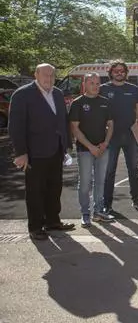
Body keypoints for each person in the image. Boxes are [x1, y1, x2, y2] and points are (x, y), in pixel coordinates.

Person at [8, 63, 75, 240]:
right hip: (33, 153)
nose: (49, 79)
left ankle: (53, 221)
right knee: (35, 191)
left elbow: (63, 120)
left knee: (54, 188)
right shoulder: (22, 94)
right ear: (36, 74)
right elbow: (15, 126)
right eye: (45, 75)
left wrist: (67, 144)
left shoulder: (58, 94)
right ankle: (36, 227)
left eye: (52, 75)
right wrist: (20, 152)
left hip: (56, 150)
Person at [101, 60, 138, 213]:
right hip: (110, 136)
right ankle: (106, 203)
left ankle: (137, 199)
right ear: (111, 73)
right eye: (116, 71)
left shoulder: (134, 89)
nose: (119, 73)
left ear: (126, 73)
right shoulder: (102, 89)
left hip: (131, 133)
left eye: (122, 70)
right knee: (109, 170)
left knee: (133, 169)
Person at [69, 73, 114, 227]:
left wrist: (105, 143)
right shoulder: (77, 103)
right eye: (92, 83)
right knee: (85, 183)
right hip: (85, 150)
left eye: (97, 83)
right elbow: (75, 129)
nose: (95, 86)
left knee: (100, 182)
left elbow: (110, 124)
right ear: (84, 84)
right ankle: (85, 214)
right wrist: (91, 147)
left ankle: (99, 211)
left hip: (103, 149)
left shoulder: (105, 102)